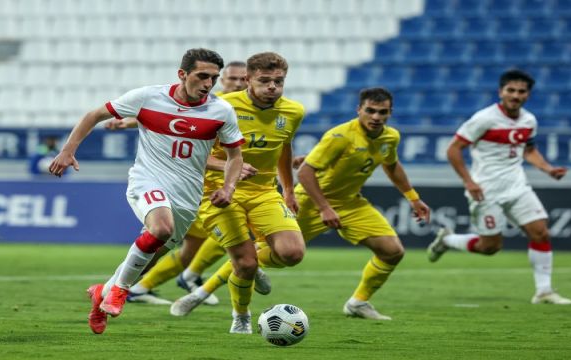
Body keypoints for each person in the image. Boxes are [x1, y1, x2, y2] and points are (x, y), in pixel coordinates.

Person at [175, 87, 431, 320]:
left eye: (382, 112)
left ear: (390, 113)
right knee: (261, 254)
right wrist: (323, 207)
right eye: (370, 111)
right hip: (313, 201)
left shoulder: (390, 137)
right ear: (359, 110)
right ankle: (199, 293)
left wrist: (413, 198)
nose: (376, 117)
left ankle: (358, 303)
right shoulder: (340, 135)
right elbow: (307, 172)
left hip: (351, 203)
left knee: (392, 250)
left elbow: (391, 165)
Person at [48, 48, 245, 334]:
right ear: (182, 74)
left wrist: (229, 187)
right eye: (202, 76)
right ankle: (121, 291)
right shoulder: (148, 97)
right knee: (161, 229)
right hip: (147, 180)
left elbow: (235, 157)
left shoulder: (221, 111)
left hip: (187, 195)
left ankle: (103, 292)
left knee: (152, 253)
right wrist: (67, 151)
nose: (207, 83)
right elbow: (94, 115)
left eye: (213, 78)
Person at [170, 52, 306, 334]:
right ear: (247, 80)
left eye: (278, 81)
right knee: (243, 263)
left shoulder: (294, 111)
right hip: (217, 193)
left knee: (292, 253)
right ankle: (241, 317)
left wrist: (289, 189)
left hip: (264, 193)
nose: (272, 87)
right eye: (265, 80)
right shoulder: (221, 106)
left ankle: (253, 265)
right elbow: (189, 150)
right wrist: (229, 166)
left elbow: (283, 148)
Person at [106, 61, 255, 306]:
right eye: (232, 79)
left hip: (220, 190)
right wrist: (128, 121)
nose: (237, 84)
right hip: (196, 187)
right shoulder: (210, 106)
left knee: (187, 247)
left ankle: (137, 286)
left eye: (242, 80)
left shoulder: (239, 110)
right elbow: (181, 141)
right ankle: (134, 286)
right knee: (176, 243)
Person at [427, 69, 571, 305]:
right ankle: (448, 240)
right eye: (511, 90)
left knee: (541, 232)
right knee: (490, 247)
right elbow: (453, 149)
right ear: (501, 92)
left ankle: (544, 291)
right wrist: (468, 181)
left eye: (521, 91)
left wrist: (547, 169)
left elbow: (528, 149)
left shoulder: (529, 120)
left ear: (528, 94)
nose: (515, 95)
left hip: (517, 186)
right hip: (486, 190)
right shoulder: (484, 119)